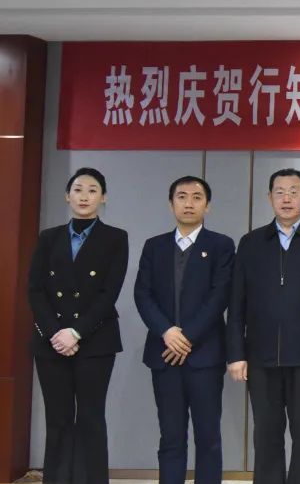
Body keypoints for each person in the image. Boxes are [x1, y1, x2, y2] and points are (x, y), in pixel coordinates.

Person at [226, 168, 300, 484]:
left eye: (294, 191)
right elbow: (236, 303)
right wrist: (236, 353)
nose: (287, 198)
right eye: (279, 192)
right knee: (266, 432)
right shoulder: (251, 242)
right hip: (260, 356)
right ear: (269, 198)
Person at [27, 167, 129, 484]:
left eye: (92, 190)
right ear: (67, 196)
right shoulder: (49, 237)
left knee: (90, 417)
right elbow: (35, 289)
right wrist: (56, 333)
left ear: (103, 197)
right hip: (51, 341)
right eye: (78, 189)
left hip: (95, 340)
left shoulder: (116, 238)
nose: (84, 196)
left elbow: (109, 292)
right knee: (57, 419)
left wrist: (76, 332)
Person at [133, 175, 235, 484]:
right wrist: (167, 332)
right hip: (164, 354)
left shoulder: (221, 245)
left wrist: (186, 336)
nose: (189, 203)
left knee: (208, 437)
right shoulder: (154, 246)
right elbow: (142, 294)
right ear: (171, 204)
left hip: (204, 355)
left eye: (196, 197)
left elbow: (220, 296)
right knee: (171, 437)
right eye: (181, 196)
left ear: (208, 205)